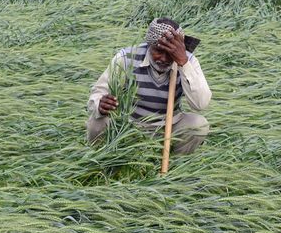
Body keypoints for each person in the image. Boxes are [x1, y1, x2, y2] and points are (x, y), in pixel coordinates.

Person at [86, 18, 211, 155]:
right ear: (149, 45)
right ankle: (102, 160)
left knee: (199, 125)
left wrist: (183, 63)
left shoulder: (187, 61)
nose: (163, 58)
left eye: (170, 53)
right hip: (128, 125)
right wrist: (100, 104)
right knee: (98, 120)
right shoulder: (127, 57)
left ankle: (175, 164)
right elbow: (97, 93)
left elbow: (201, 104)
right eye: (158, 50)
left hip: (168, 125)